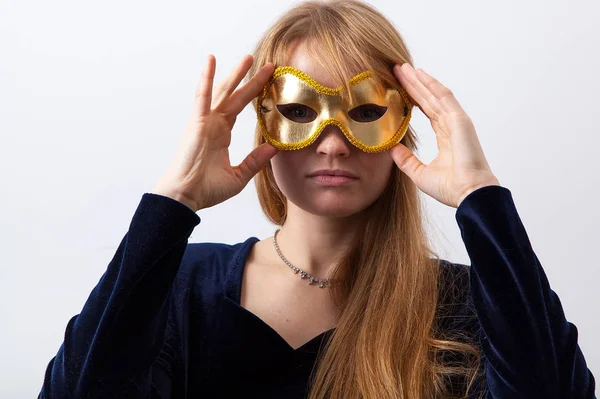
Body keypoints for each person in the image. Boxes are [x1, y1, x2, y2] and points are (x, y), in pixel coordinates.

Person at [38, 0, 596, 398]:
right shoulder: (182, 282)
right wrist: (173, 201)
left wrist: (482, 198)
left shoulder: (467, 303)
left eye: (365, 113)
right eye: (300, 112)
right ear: (259, 122)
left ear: (405, 125)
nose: (332, 144)